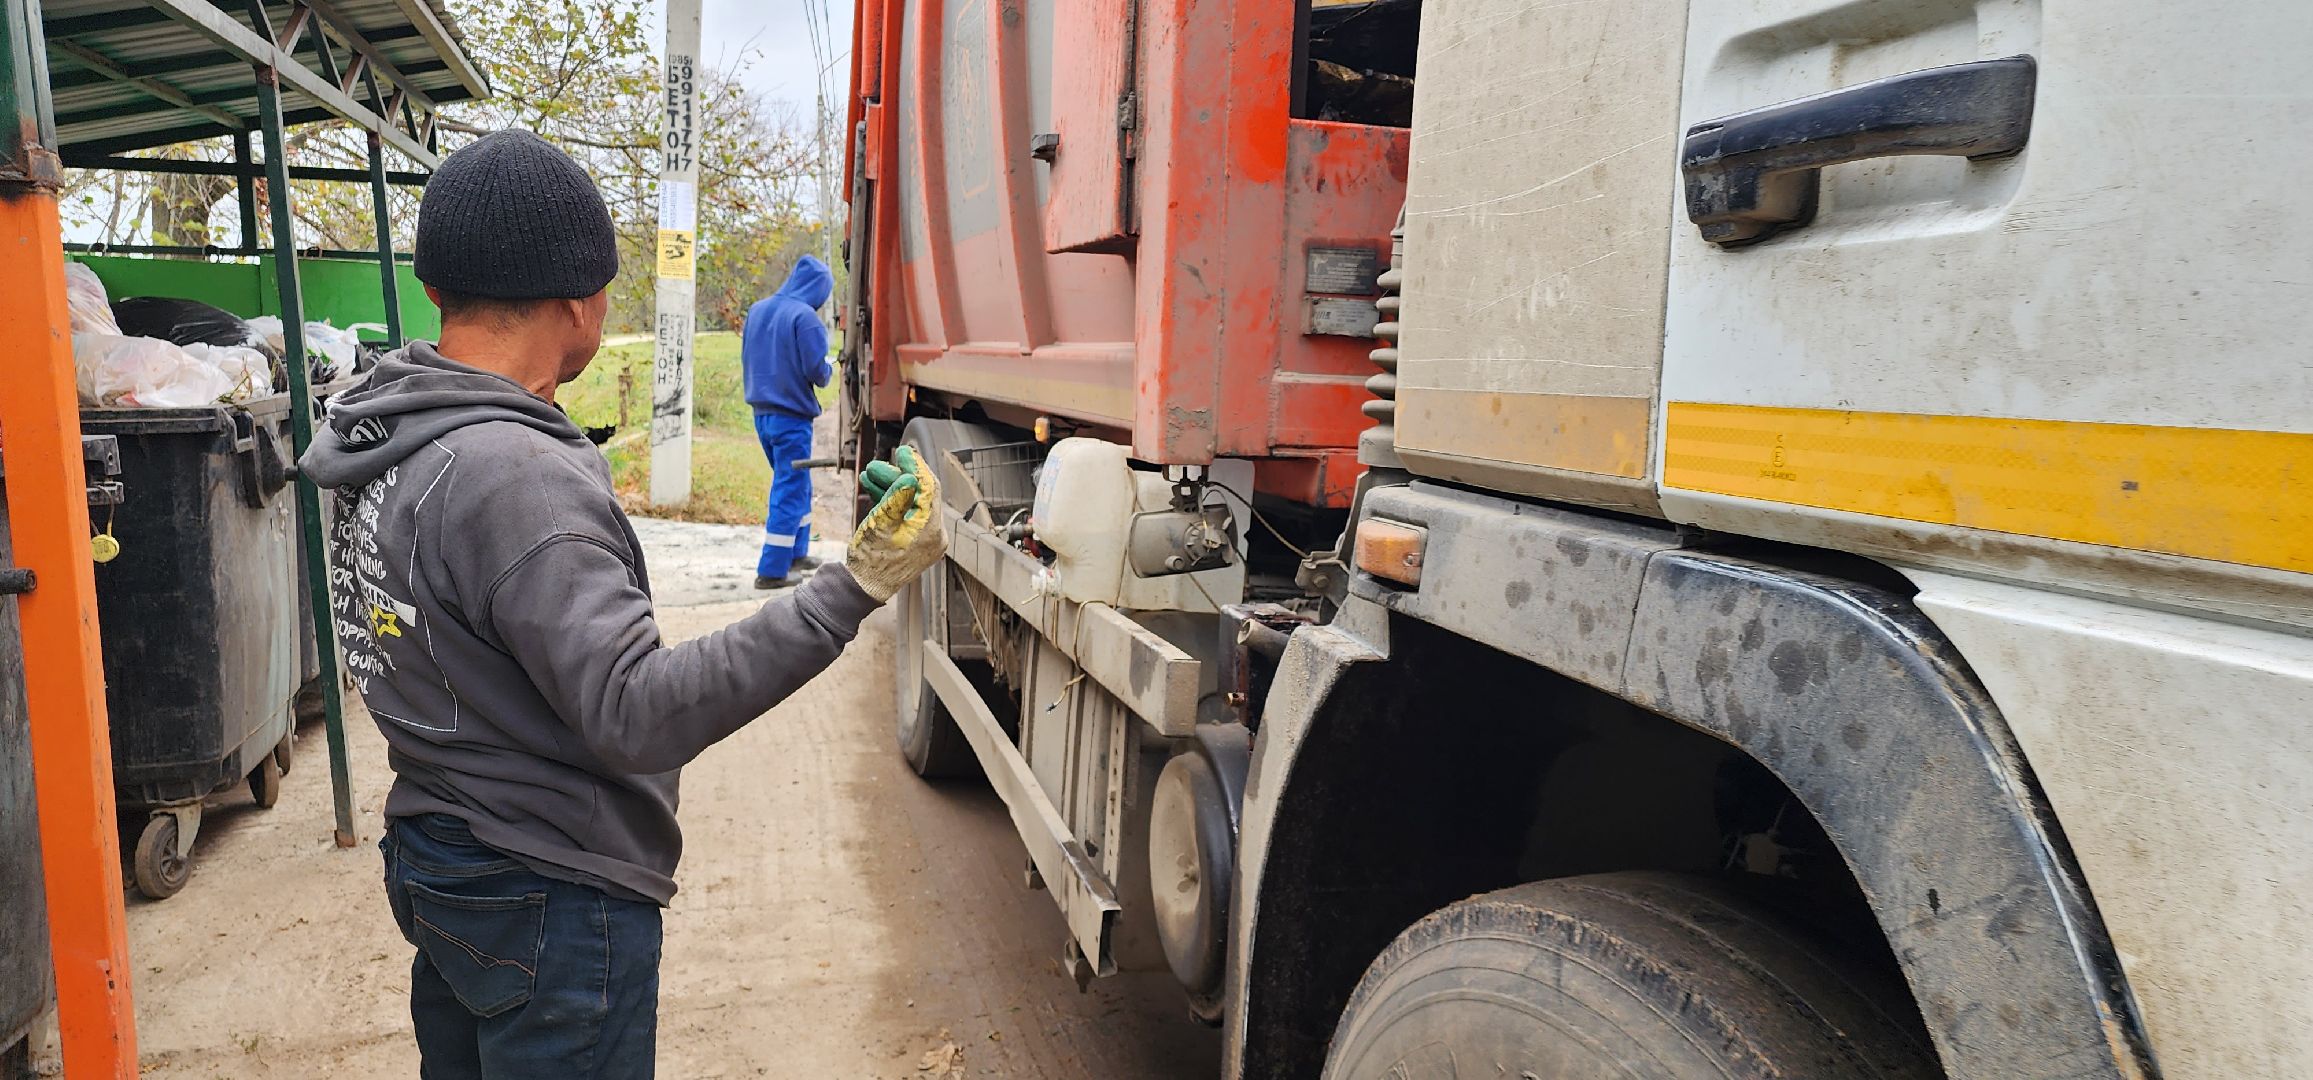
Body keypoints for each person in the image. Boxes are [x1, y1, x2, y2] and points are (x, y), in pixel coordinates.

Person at [299, 130, 947, 1079]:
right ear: (578, 301)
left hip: (444, 856)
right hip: (548, 893)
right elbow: (637, 712)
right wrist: (848, 590)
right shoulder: (513, 478)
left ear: (436, 288)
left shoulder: (391, 434)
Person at [739, 255, 835, 589]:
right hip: (791, 418)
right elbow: (817, 372)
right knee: (789, 488)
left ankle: (797, 551)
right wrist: (830, 367)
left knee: (796, 482)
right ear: (818, 289)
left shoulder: (758, 310)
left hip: (762, 414)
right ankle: (772, 571)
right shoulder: (804, 318)